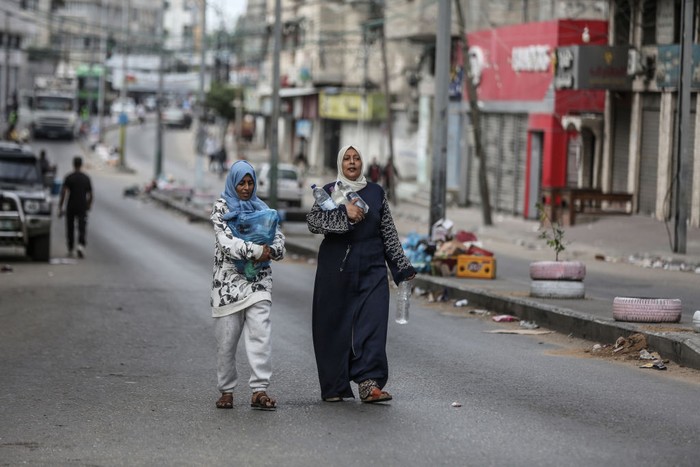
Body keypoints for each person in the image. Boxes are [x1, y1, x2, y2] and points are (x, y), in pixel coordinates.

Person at [306, 144, 416, 403]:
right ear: (340, 163)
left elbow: (387, 231)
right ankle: (334, 385)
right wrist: (345, 214)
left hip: (372, 268)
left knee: (373, 324)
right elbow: (313, 222)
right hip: (337, 269)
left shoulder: (376, 192)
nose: (352, 162)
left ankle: (370, 384)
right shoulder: (329, 192)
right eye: (347, 158)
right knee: (333, 327)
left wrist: (401, 267)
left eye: (356, 158)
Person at [210, 160, 286, 411]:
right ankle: (227, 390)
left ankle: (259, 390)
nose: (245, 187)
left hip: (258, 282)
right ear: (233, 182)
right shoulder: (221, 208)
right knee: (227, 341)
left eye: (250, 182)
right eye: (241, 182)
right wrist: (257, 251)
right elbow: (226, 243)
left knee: (260, 335)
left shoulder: (262, 209)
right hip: (228, 285)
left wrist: (272, 250)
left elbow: (279, 239)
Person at [58, 156, 93, 258]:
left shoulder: (69, 177)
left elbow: (64, 192)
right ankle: (80, 245)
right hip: (82, 205)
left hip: (71, 205)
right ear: (81, 164)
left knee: (70, 226)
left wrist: (60, 207)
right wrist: (88, 205)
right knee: (82, 226)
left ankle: (70, 247)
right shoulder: (86, 178)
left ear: (73, 164)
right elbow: (91, 194)